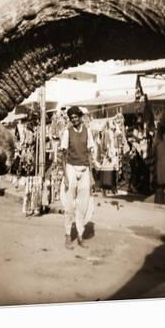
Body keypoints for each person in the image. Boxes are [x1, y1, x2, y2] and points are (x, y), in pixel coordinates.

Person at [60, 106, 95, 250]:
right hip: (71, 167)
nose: (74, 119)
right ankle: (68, 235)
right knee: (69, 204)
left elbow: (89, 154)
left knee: (83, 204)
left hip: (85, 168)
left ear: (80, 117)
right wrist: (65, 176)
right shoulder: (67, 133)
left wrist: (91, 175)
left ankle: (80, 235)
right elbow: (62, 155)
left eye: (76, 117)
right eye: (71, 118)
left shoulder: (88, 131)